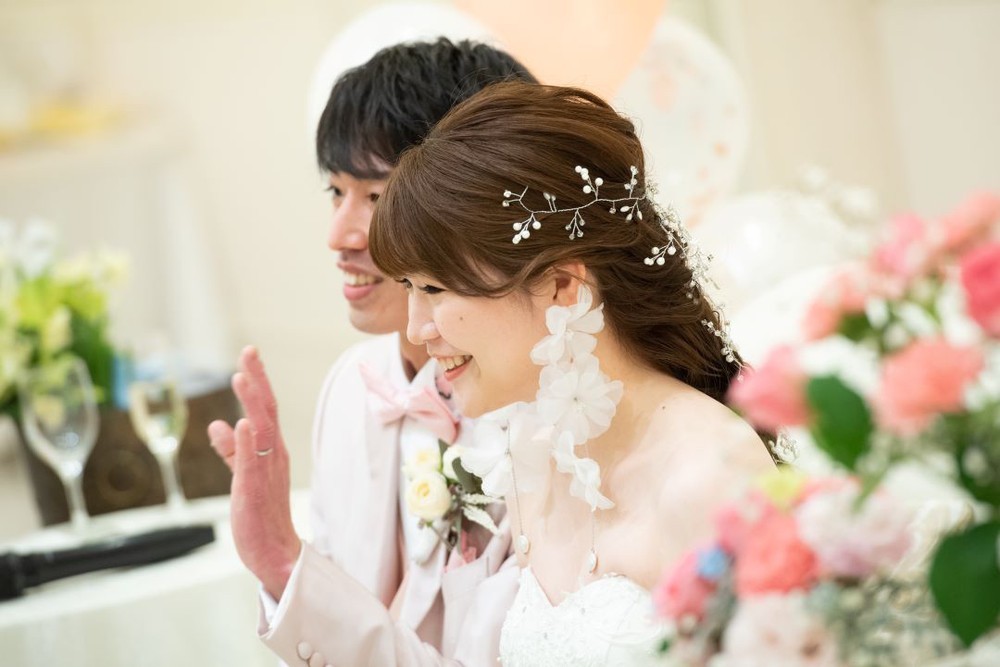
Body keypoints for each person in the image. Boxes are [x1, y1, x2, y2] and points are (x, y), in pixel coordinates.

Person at [368, 81, 777, 663]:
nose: (415, 328)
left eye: (433, 288)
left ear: (563, 285)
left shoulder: (709, 477)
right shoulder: (531, 448)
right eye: (408, 287)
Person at [207, 39, 536, 666]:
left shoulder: (541, 417)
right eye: (336, 193)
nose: (339, 235)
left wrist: (284, 560)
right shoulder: (352, 386)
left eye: (377, 198)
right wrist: (284, 562)